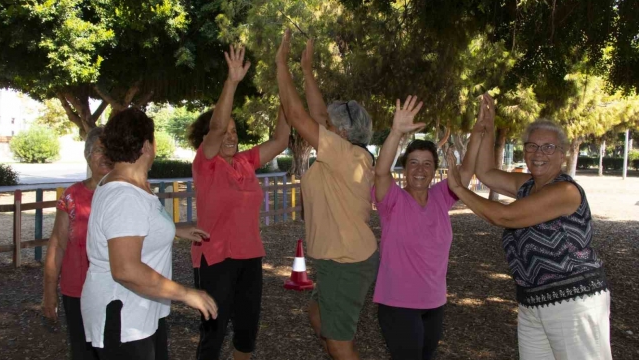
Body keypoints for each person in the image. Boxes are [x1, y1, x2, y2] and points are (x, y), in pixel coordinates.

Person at [445, 104, 611, 360]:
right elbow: (487, 173)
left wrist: (457, 187)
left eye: (548, 147)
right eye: (532, 146)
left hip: (574, 302)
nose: (538, 153)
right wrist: (486, 128)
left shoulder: (565, 192)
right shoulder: (528, 186)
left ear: (562, 155)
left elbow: (504, 216)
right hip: (532, 302)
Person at [81, 108, 218, 360]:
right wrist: (187, 294)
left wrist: (173, 230)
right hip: (123, 318)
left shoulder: (131, 182)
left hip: (141, 312)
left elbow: (133, 228)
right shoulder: (124, 195)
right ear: (146, 146)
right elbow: (125, 269)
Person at [276, 29, 378, 360]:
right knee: (316, 315)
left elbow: (298, 116)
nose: (325, 126)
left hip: (344, 261)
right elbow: (319, 116)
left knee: (338, 342)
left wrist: (281, 64)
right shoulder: (349, 151)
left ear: (342, 132)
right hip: (340, 259)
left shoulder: (345, 154)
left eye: (331, 126)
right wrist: (306, 70)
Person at [187, 45, 290, 360]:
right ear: (207, 139)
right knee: (213, 335)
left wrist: (286, 87)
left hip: (250, 257)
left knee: (246, 334)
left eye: (235, 131)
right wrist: (231, 82)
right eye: (224, 132)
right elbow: (216, 128)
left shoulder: (246, 161)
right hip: (215, 259)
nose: (230, 136)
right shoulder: (205, 164)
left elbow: (281, 140)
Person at [371, 95, 487, 360]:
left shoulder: (440, 197)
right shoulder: (392, 200)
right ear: (404, 168)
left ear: (435, 169)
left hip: (435, 303)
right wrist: (396, 132)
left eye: (427, 163)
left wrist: (478, 134)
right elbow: (380, 172)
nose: (420, 170)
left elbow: (465, 173)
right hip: (398, 304)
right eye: (413, 163)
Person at [42, 127, 112, 360]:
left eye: (111, 150)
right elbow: (58, 245)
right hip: (77, 292)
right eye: (99, 150)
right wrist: (49, 292)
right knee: (83, 353)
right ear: (87, 155)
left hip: (116, 292)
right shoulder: (72, 196)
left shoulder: (126, 194)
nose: (105, 156)